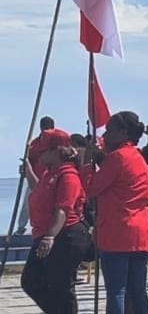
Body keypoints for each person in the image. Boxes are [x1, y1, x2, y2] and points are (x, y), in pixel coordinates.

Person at [85, 111, 148, 314]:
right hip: (140, 232)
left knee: (117, 291)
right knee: (138, 292)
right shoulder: (138, 158)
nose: (105, 136)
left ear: (123, 133)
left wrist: (85, 164)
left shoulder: (117, 158)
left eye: (109, 131)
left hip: (118, 232)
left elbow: (92, 189)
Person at [20, 128, 91, 313]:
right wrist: (28, 169)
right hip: (44, 232)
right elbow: (38, 189)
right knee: (31, 281)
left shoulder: (68, 175)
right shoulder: (50, 173)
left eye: (43, 151)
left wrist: (50, 237)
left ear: (56, 151)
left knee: (61, 286)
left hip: (65, 235)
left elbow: (63, 209)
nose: (40, 154)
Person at [17, 116, 57, 236]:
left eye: (49, 128)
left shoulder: (56, 143)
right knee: (28, 204)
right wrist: (24, 170)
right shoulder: (34, 144)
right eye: (44, 128)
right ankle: (21, 227)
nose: (46, 131)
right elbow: (28, 162)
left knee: (52, 206)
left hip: (51, 180)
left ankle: (52, 227)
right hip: (34, 179)